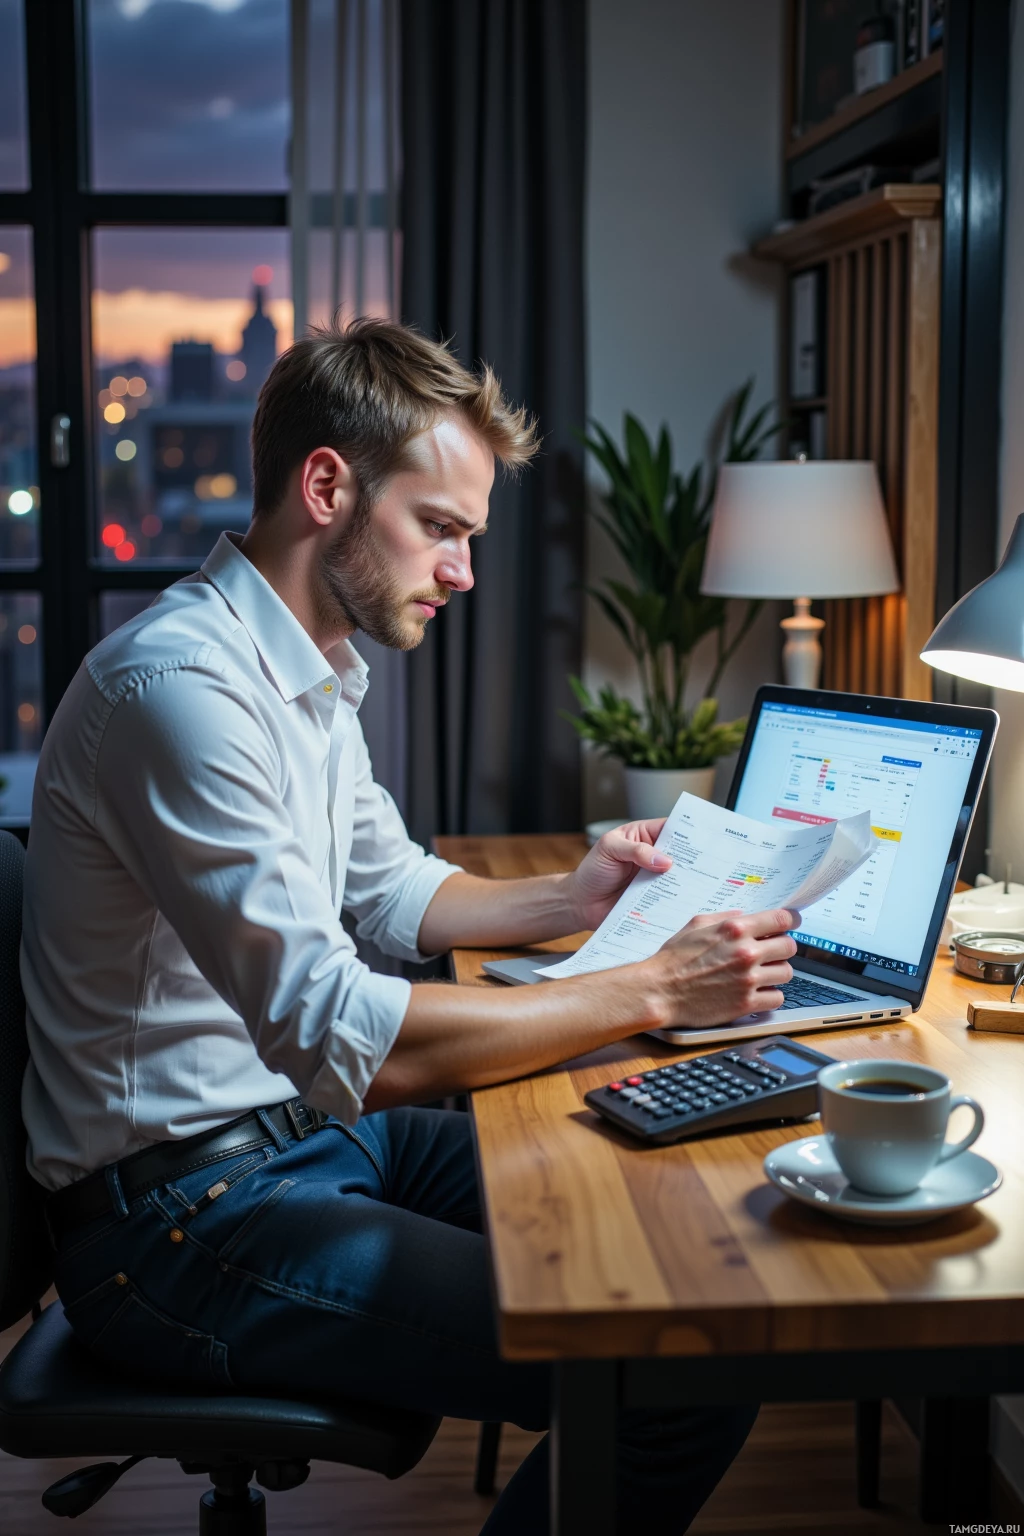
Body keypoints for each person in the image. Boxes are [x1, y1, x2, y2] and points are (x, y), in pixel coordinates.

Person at [21, 318, 798, 1533]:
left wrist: (575, 894)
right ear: (326, 486)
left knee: (641, 1216)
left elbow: (390, 892)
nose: (463, 573)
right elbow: (348, 1037)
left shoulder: (309, 673)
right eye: (440, 528)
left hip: (300, 1142)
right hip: (176, 1224)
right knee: (670, 1370)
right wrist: (652, 988)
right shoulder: (179, 694)